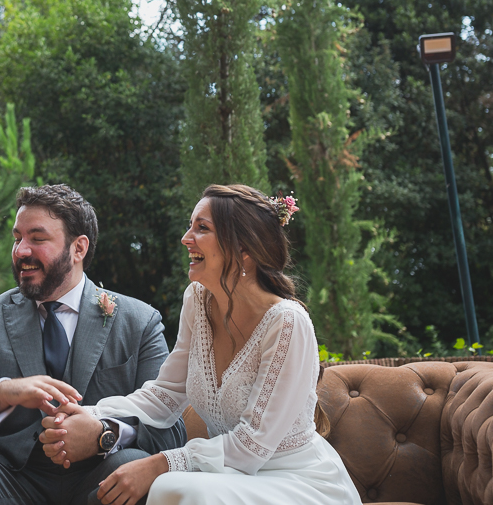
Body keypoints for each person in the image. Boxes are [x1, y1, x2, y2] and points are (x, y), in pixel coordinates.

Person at [39, 185, 362, 505]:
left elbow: (252, 446)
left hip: (297, 480)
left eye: (202, 228)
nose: (186, 238)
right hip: (232, 477)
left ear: (244, 248)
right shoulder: (198, 300)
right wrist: (91, 413)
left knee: (176, 488)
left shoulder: (288, 323)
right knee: (176, 487)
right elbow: (164, 396)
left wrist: (160, 464)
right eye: (190, 225)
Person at [0, 184, 187, 505]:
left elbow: (172, 431)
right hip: (10, 482)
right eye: (17, 238)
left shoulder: (139, 322)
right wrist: (4, 393)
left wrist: (105, 434)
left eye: (37, 238)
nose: (21, 251)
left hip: (102, 480)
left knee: (132, 464)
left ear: (78, 248)